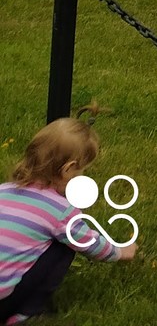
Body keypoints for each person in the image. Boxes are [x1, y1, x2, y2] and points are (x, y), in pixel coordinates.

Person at [0, 118, 135, 323]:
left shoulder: (3, 190)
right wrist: (122, 252)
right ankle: (26, 311)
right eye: (83, 171)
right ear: (68, 169)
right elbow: (89, 244)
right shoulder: (60, 210)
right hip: (4, 302)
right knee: (64, 245)